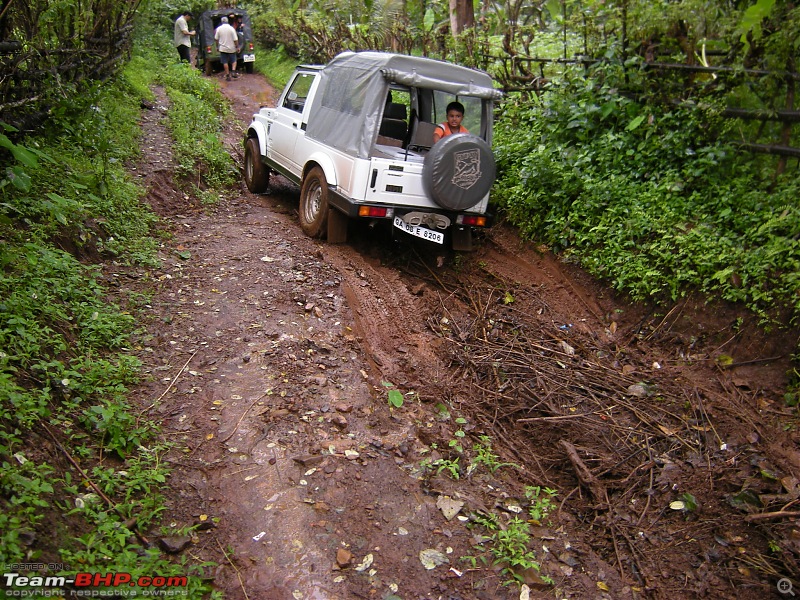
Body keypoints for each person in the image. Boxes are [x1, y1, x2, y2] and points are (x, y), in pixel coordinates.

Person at [214, 16, 239, 81]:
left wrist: (217, 47)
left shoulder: (218, 29)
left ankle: (227, 75)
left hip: (223, 48)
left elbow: (216, 39)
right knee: (234, 61)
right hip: (231, 48)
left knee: (225, 62)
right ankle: (233, 71)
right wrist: (237, 46)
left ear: (221, 22)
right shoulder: (231, 28)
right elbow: (235, 39)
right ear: (227, 21)